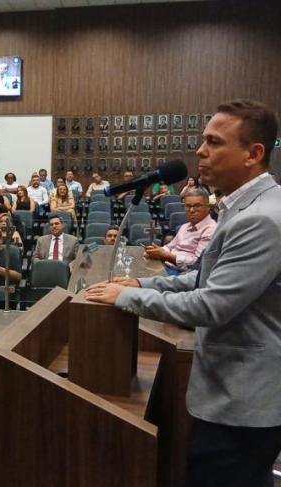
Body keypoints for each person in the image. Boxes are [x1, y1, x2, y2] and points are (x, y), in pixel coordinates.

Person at [85, 99, 281, 487]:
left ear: (253, 154)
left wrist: (126, 299)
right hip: (234, 394)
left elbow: (211, 305)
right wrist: (141, 283)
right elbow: (201, 277)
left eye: (214, 142)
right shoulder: (244, 207)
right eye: (203, 140)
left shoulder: (260, 219)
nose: (200, 151)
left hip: (243, 399)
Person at [144, 189, 217, 274]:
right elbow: (169, 247)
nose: (192, 210)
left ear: (208, 207)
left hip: (183, 273)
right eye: (188, 206)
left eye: (197, 206)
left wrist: (166, 256)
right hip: (166, 265)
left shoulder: (211, 230)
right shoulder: (184, 226)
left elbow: (196, 263)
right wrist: (156, 251)